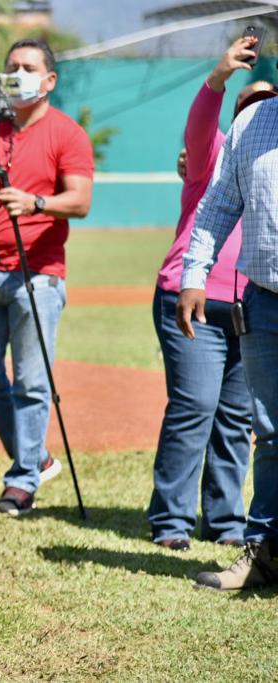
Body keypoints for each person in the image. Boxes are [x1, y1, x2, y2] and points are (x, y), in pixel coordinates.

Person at [0, 38, 94, 516]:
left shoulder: (68, 134)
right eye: (11, 67)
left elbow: (81, 201)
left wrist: (36, 203)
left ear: (50, 80)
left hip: (39, 275)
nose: (17, 74)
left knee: (32, 381)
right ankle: (38, 457)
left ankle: (22, 480)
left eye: (28, 67)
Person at [148, 37, 272, 552]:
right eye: (250, 102)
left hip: (253, 304)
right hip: (191, 297)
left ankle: (224, 520)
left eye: (269, 101)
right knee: (194, 405)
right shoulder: (212, 152)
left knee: (237, 417)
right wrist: (219, 77)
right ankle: (172, 520)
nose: (260, 110)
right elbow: (201, 122)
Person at [178, 69, 278, 592]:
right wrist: (195, 275)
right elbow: (218, 204)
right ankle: (265, 553)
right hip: (263, 301)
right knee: (271, 433)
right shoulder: (253, 123)